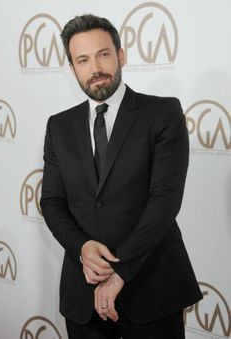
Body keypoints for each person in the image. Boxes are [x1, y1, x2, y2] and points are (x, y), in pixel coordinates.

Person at [40, 14, 203, 339]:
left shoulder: (163, 113)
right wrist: (83, 248)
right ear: (72, 68)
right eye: (82, 60)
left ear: (121, 55)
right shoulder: (58, 126)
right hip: (83, 293)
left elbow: (165, 201)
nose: (95, 67)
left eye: (103, 54)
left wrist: (120, 270)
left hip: (152, 289)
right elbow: (52, 202)